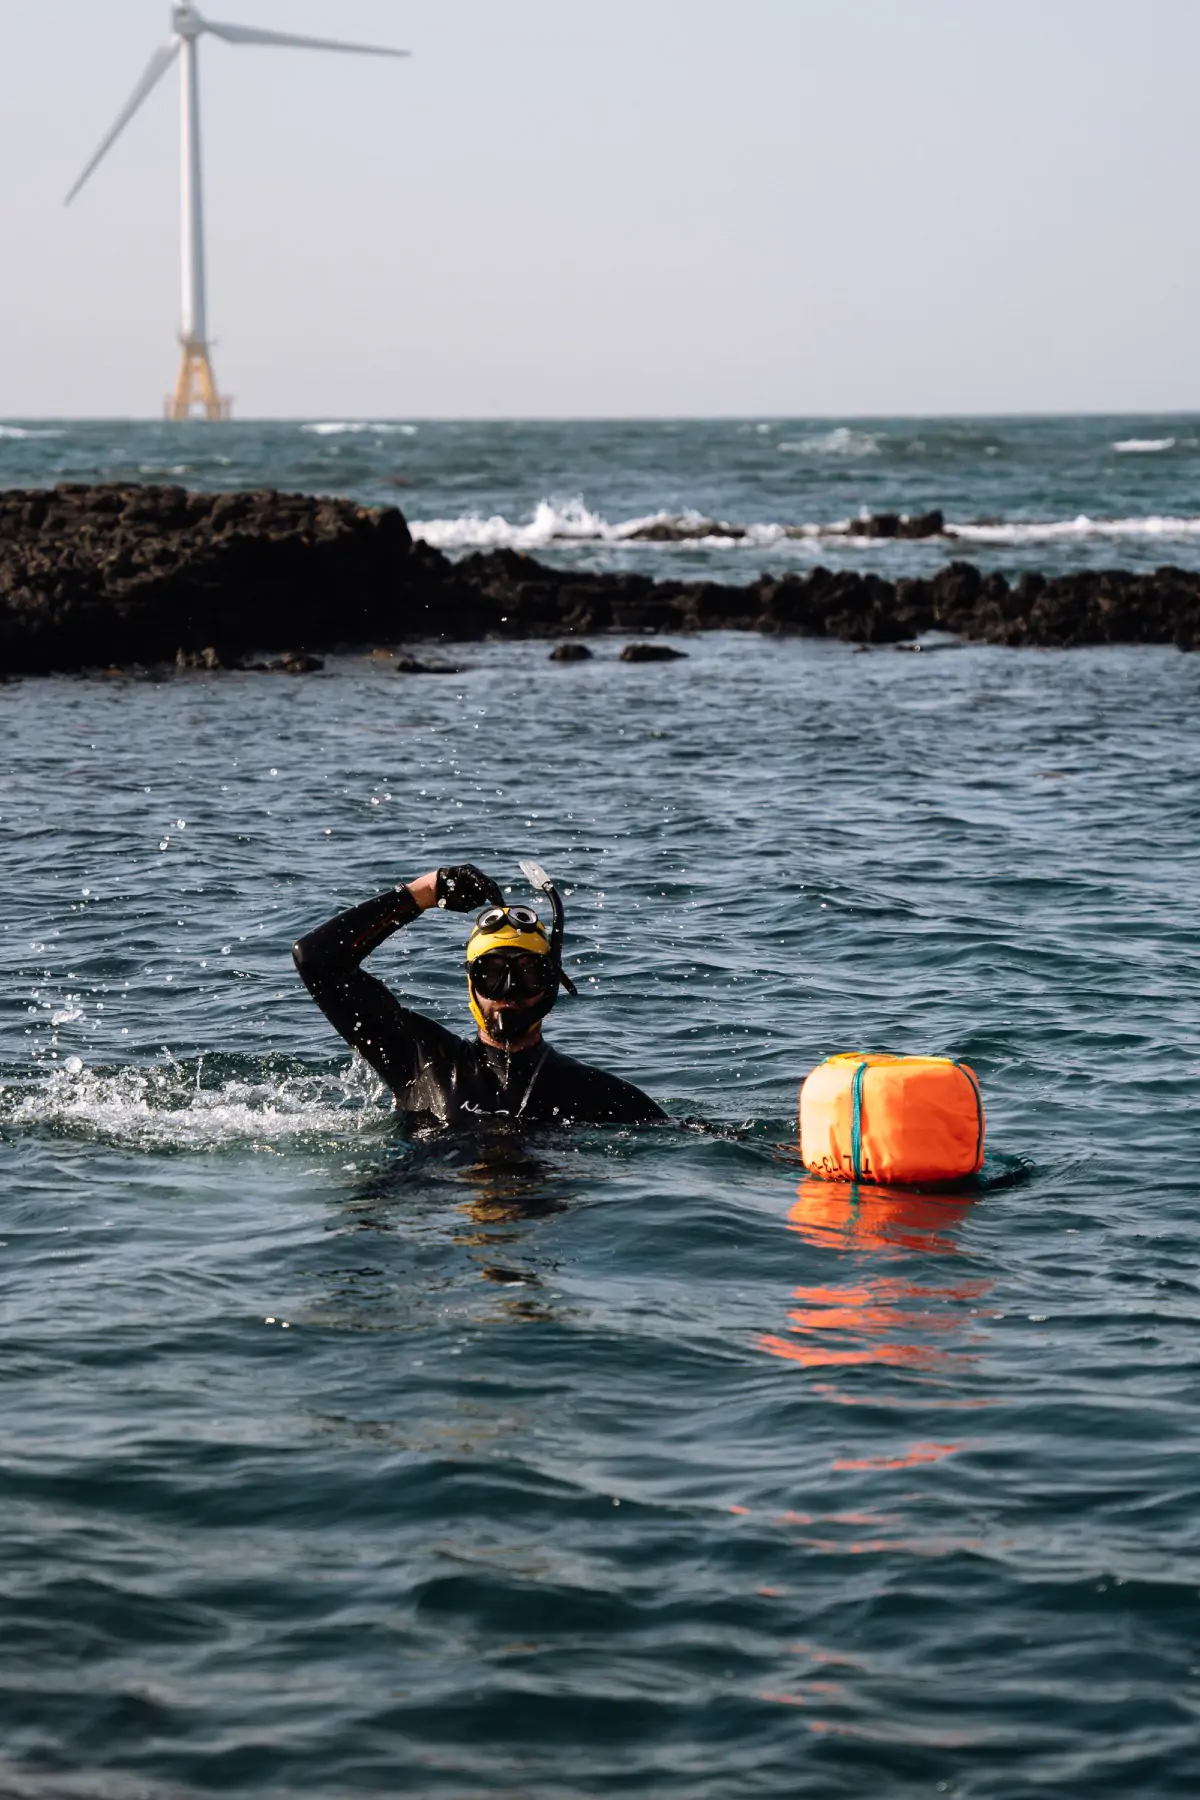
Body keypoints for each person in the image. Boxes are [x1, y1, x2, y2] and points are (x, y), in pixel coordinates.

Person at [293, 862, 665, 1129]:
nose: (507, 993)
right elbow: (316, 959)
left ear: (550, 982)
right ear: (471, 982)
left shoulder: (595, 1094)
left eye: (526, 974)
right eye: (491, 975)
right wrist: (425, 892)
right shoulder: (419, 1059)